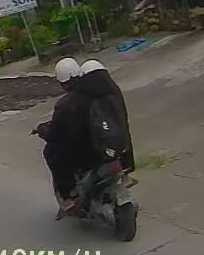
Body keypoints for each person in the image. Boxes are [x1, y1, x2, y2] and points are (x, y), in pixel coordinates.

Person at [34, 58, 92, 219]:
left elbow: (54, 133)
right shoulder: (96, 93)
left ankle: (68, 193)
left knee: (51, 152)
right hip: (103, 143)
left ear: (62, 82)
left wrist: (42, 130)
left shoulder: (64, 104)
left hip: (82, 151)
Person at [79, 59, 135, 182]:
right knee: (123, 133)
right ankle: (126, 172)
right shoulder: (113, 90)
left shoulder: (93, 97)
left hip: (106, 148)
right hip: (120, 138)